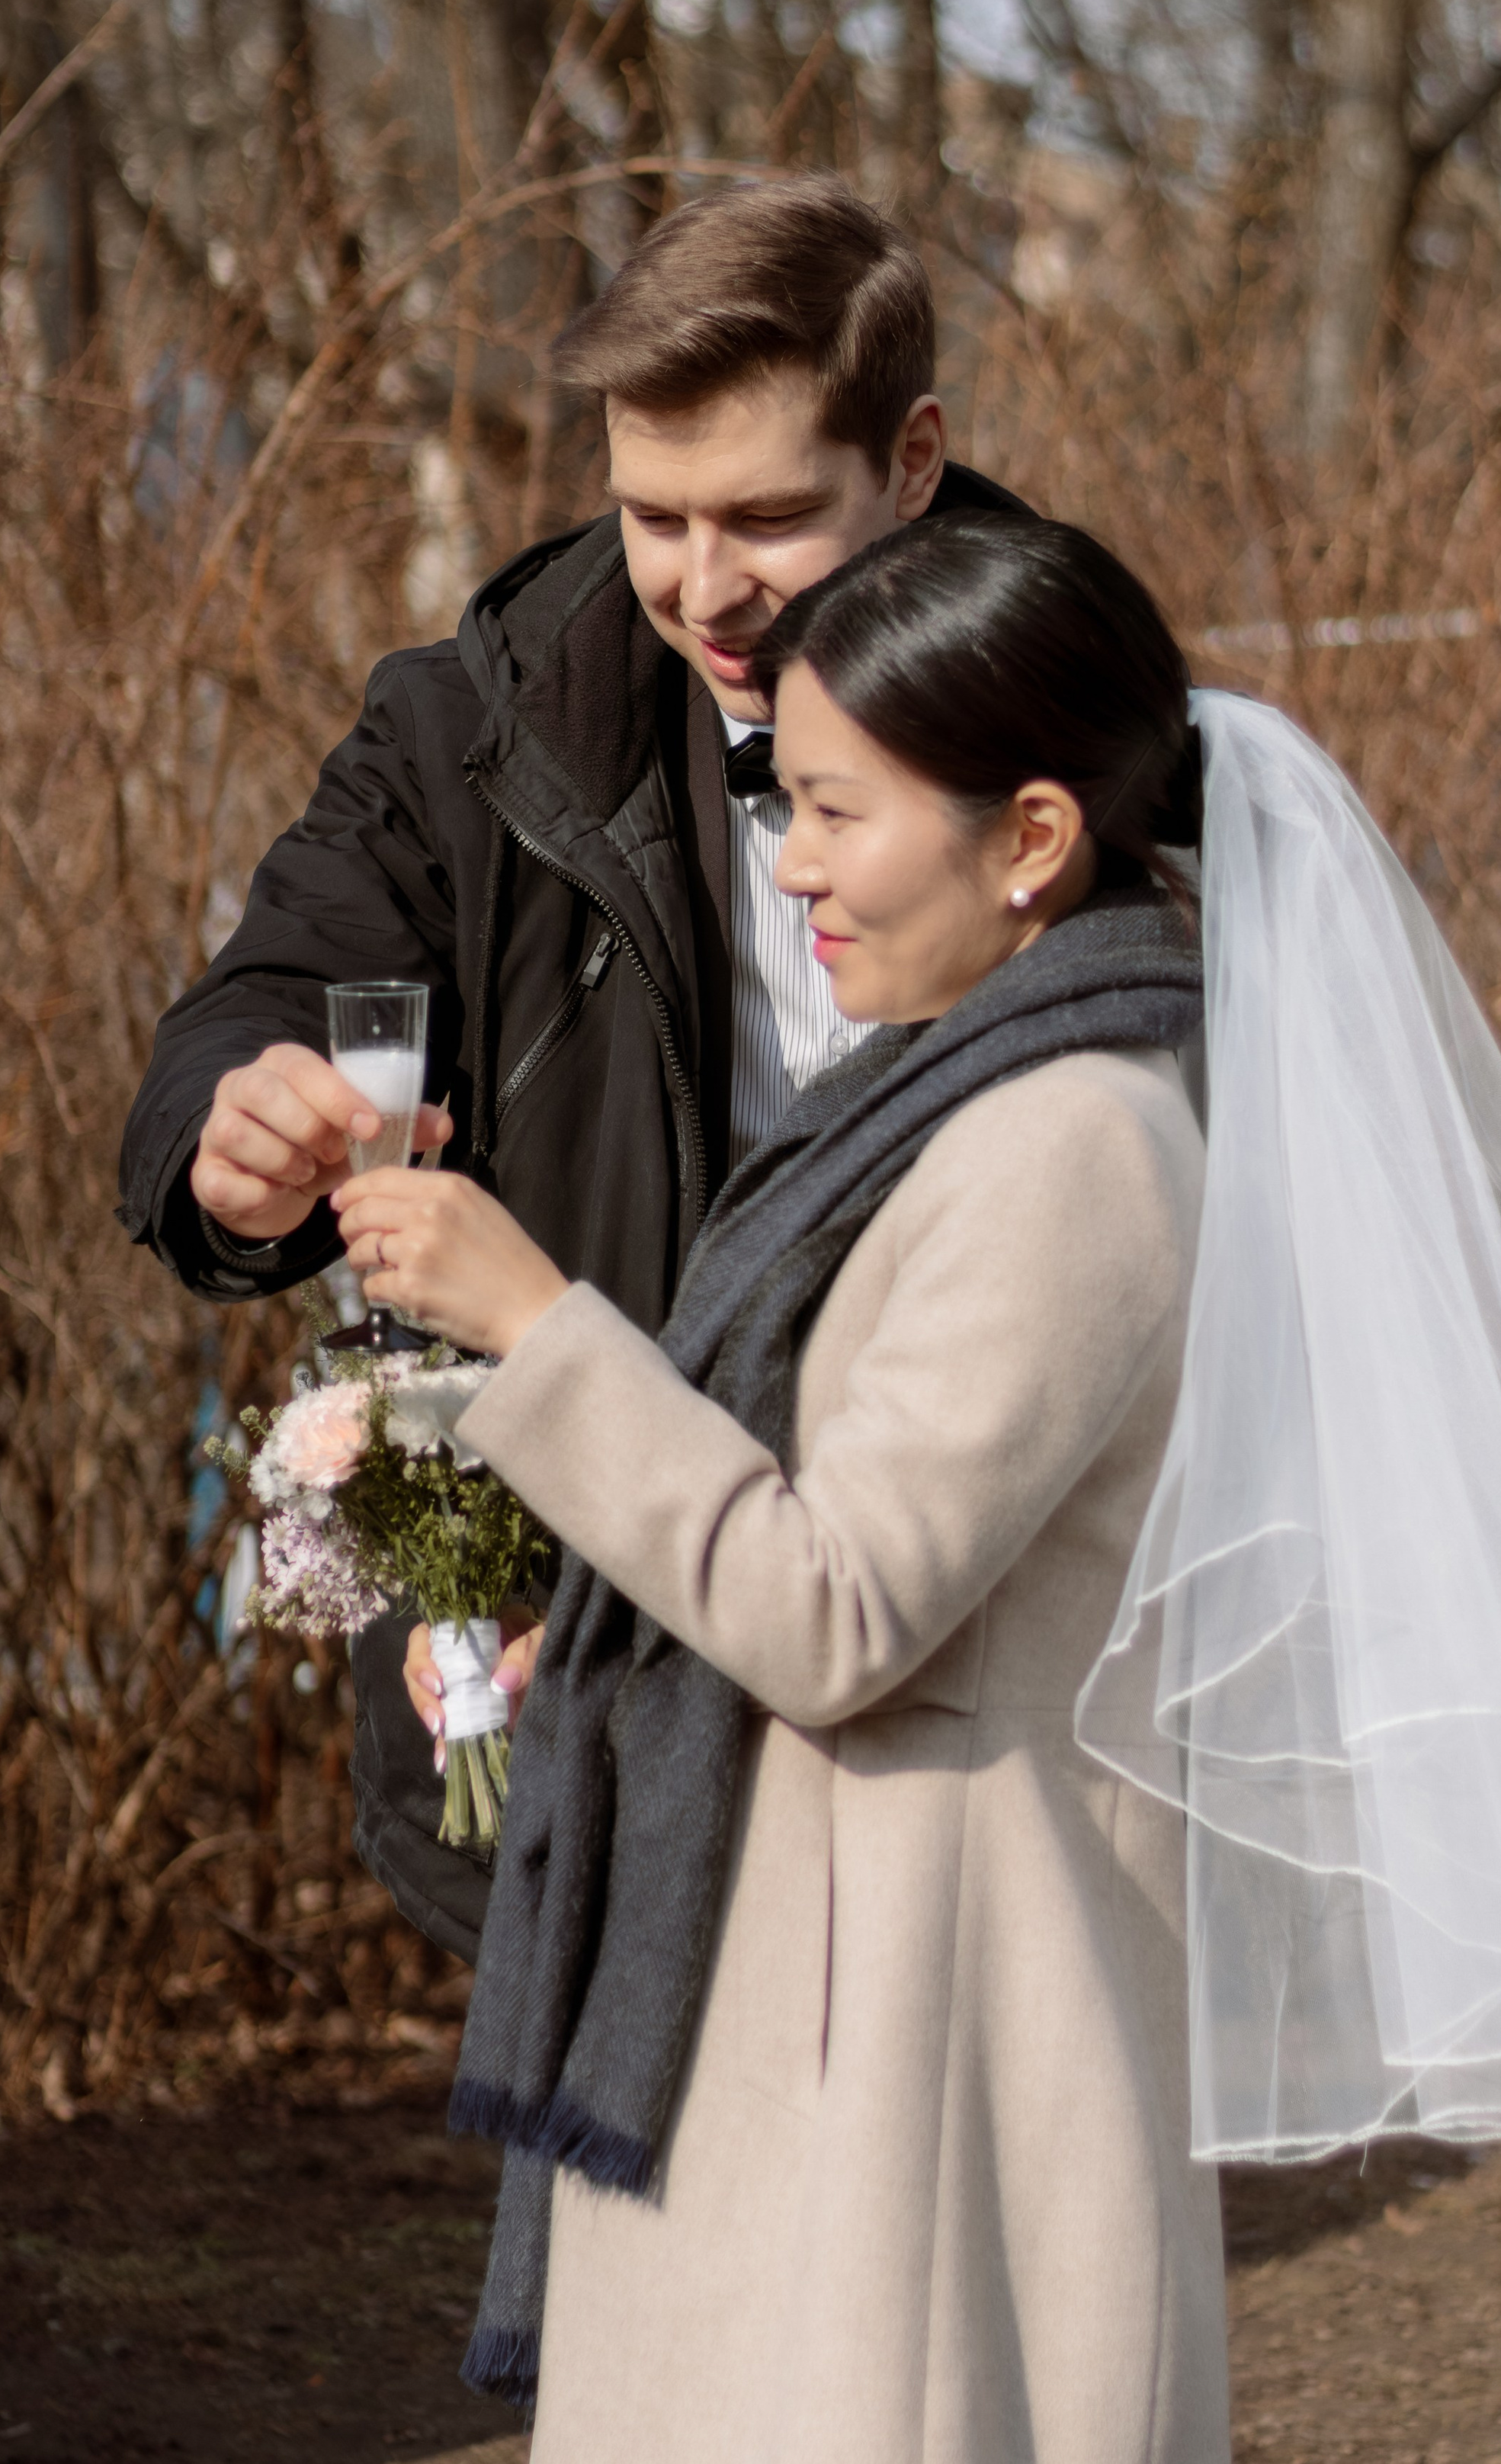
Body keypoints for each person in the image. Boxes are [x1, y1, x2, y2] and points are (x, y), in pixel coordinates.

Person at [329, 508, 1226, 2462]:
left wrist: (537, 1322)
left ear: (1032, 837)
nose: (791, 862)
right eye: (780, 801)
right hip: (810, 2015)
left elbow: (837, 1608)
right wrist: (592, 1638)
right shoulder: (933, 1095)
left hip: (915, 2067)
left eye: (833, 810)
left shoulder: (1075, 1144)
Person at [115, 175, 1035, 1961]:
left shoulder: (1068, 724)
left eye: (768, 517)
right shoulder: (463, 727)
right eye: (651, 515)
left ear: (912, 461)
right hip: (563, 1680)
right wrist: (231, 1133)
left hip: (953, 1666)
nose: (704, 585)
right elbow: (258, 1005)